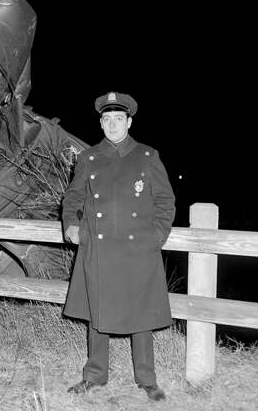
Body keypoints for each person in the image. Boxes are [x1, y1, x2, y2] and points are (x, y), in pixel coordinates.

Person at [62, 91, 175, 401]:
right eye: (107, 119)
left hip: (138, 249)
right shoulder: (88, 158)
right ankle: (95, 376)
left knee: (140, 314)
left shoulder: (147, 156)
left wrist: (155, 237)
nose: (112, 124)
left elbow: (166, 201)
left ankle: (147, 379)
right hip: (98, 249)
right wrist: (71, 226)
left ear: (129, 121)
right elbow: (72, 198)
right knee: (98, 312)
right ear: (101, 123)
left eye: (118, 119)